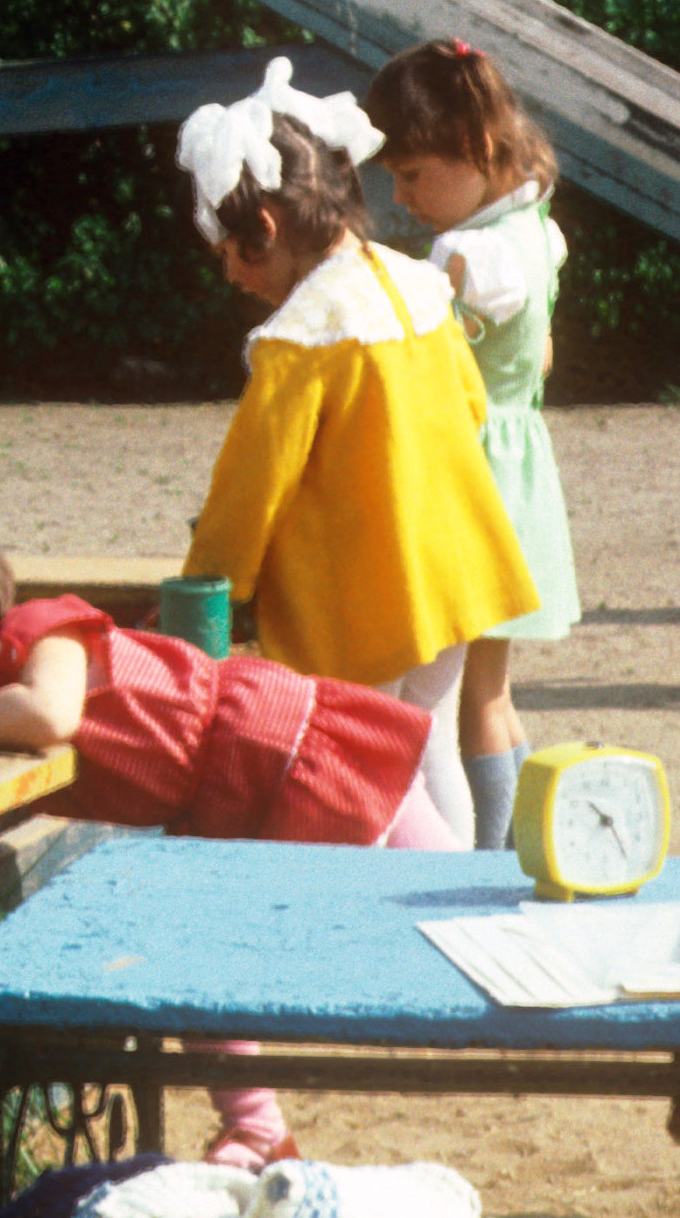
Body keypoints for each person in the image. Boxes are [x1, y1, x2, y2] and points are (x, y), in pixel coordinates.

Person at [0, 497, 448, 1168]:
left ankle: (562, 938)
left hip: (279, 744)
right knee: (198, 964)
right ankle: (258, 1128)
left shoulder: (38, 633)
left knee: (456, 897)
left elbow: (50, 716)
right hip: (220, 803)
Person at [174, 57, 540, 855]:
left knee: (370, 770)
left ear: (265, 228)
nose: (232, 274)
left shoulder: (299, 340)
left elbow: (250, 487)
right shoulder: (416, 288)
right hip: (453, 577)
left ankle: (417, 897)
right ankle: (471, 885)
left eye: (231, 253)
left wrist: (212, 588)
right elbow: (473, 406)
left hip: (363, 601)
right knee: (429, 737)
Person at [361, 36, 575, 851]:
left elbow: (408, 337)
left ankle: (485, 856)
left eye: (412, 176)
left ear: (474, 150)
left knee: (463, 701)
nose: (402, 197)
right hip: (520, 466)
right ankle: (525, 842)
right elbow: (543, 351)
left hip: (471, 475)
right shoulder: (535, 228)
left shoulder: (464, 255)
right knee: (492, 687)